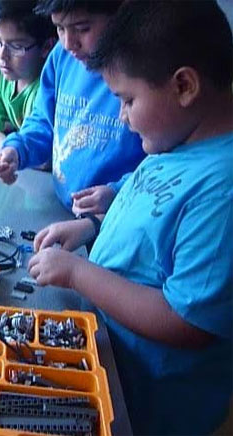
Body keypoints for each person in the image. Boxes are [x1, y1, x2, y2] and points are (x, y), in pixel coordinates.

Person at [28, 1, 233, 434]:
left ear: (184, 86)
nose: (122, 116)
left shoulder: (223, 189)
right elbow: (151, 221)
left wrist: (78, 274)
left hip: (153, 409)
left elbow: (186, 322)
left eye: (127, 100)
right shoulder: (176, 140)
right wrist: (90, 228)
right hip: (113, 364)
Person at [0, 0, 146, 215]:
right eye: (60, 28)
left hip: (117, 215)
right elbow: (43, 122)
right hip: (62, 209)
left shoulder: (141, 69)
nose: (68, 43)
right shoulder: (61, 57)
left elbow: (161, 158)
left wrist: (117, 192)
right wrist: (17, 149)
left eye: (82, 29)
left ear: (119, 16)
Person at [0, 0, 56, 153]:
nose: (2, 56)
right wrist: (11, 150)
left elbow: (44, 153)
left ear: (46, 47)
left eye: (16, 46)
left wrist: (14, 150)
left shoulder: (50, 83)